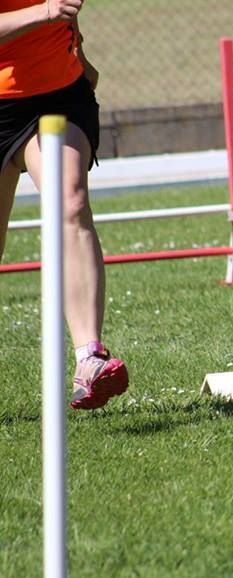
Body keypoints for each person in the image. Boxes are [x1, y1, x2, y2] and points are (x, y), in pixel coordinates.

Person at [0, 0, 127, 410]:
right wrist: (47, 12)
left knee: (71, 202)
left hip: (59, 95)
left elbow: (67, 15)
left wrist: (79, 54)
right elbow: (53, 10)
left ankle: (88, 357)